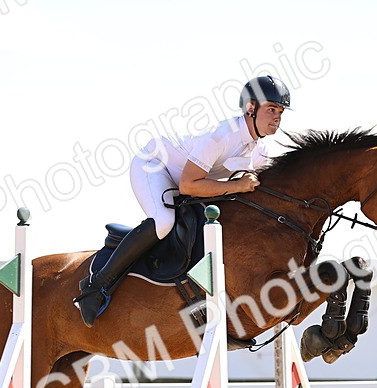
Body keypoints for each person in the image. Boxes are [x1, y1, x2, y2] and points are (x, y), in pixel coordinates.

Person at [74, 75, 292, 326]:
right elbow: (189, 185)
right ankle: (96, 285)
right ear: (251, 108)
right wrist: (237, 186)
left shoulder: (259, 151)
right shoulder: (222, 136)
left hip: (187, 181)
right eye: (272, 109)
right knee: (164, 222)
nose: (277, 117)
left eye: (281, 112)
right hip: (155, 166)